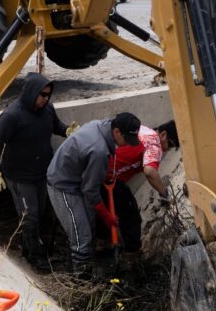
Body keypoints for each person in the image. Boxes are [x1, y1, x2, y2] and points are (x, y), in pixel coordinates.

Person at [0, 73, 75, 272]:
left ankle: (29, 243)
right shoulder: (12, 115)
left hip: (42, 172)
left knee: (40, 211)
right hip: (19, 175)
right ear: (30, 93)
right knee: (30, 215)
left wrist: (68, 131)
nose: (45, 98)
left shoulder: (47, 110)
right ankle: (33, 254)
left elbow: (56, 126)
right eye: (42, 95)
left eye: (48, 95)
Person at [46, 112, 142, 277]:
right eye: (126, 139)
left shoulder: (102, 125)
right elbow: (90, 191)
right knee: (82, 239)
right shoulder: (99, 151)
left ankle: (86, 267)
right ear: (117, 131)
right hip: (63, 185)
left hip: (77, 179)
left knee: (89, 228)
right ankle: (80, 285)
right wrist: (106, 216)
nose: (126, 144)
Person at [97, 121, 180, 258]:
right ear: (163, 134)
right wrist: (165, 194)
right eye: (170, 144)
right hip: (109, 177)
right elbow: (149, 172)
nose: (167, 149)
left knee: (103, 209)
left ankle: (100, 243)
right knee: (130, 215)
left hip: (97, 170)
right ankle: (132, 254)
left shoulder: (143, 130)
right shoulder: (155, 144)